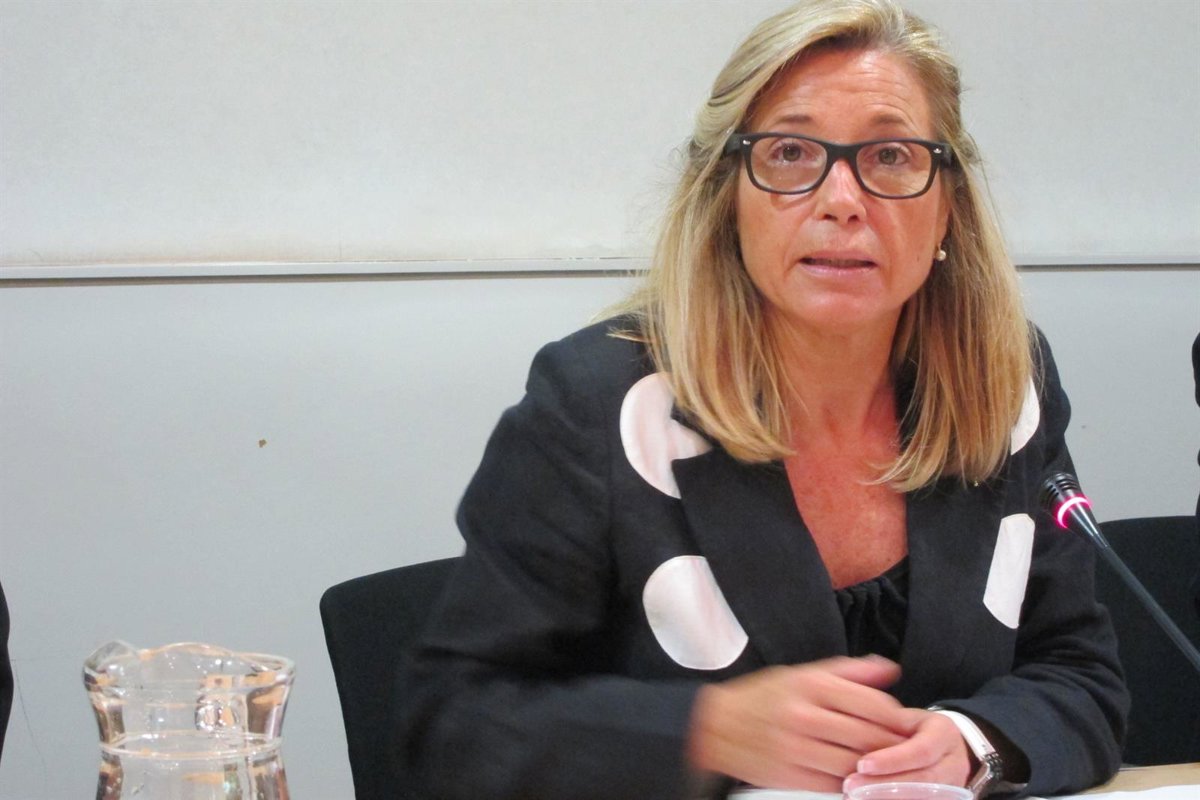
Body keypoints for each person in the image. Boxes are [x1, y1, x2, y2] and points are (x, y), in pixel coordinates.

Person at [392, 2, 1127, 798]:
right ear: (725, 198)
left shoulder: (1000, 382)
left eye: (890, 156)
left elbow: (1081, 673)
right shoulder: (598, 405)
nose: (842, 199)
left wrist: (971, 743)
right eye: (789, 152)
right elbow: (451, 722)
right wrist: (705, 734)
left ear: (947, 204)